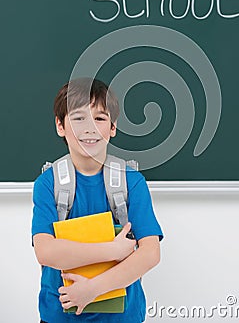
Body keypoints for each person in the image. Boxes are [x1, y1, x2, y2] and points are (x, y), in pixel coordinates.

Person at [32, 77, 163, 323]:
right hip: (59, 316)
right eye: (78, 118)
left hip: (123, 317)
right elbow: (45, 251)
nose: (89, 128)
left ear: (113, 127)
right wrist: (112, 250)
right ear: (60, 126)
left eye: (100, 118)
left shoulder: (131, 182)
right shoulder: (48, 184)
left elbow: (150, 253)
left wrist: (91, 290)